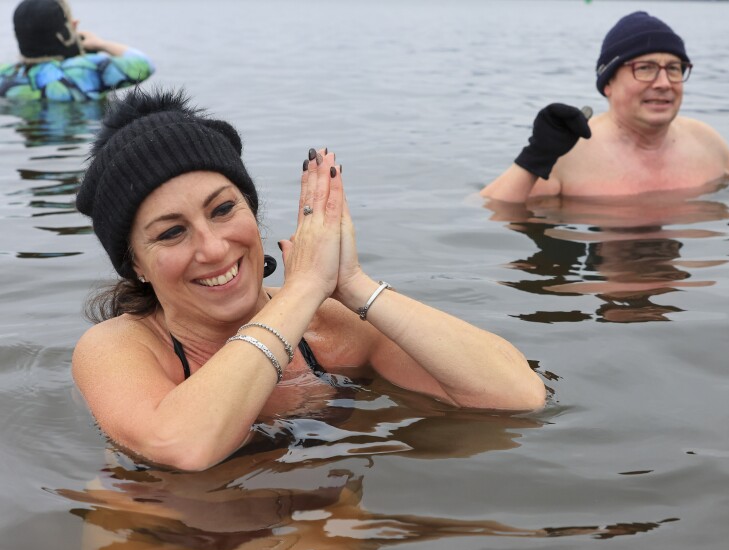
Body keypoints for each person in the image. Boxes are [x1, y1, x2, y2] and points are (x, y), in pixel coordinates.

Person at [72, 87, 546, 472]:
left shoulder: (330, 326)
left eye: (223, 209)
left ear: (253, 214)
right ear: (135, 264)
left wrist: (353, 284)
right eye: (172, 232)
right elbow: (184, 447)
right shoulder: (118, 348)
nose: (213, 248)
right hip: (166, 532)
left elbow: (517, 397)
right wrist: (301, 289)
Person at [480, 11, 729, 202]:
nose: (663, 82)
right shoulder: (570, 152)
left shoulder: (706, 140)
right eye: (644, 68)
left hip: (682, 289)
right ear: (608, 83)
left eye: (674, 68)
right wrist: (534, 158)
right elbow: (491, 213)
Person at [0, 0, 154, 101]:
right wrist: (101, 44)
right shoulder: (85, 69)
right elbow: (144, 65)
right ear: (63, 33)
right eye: (68, 20)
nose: (76, 22)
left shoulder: (5, 73)